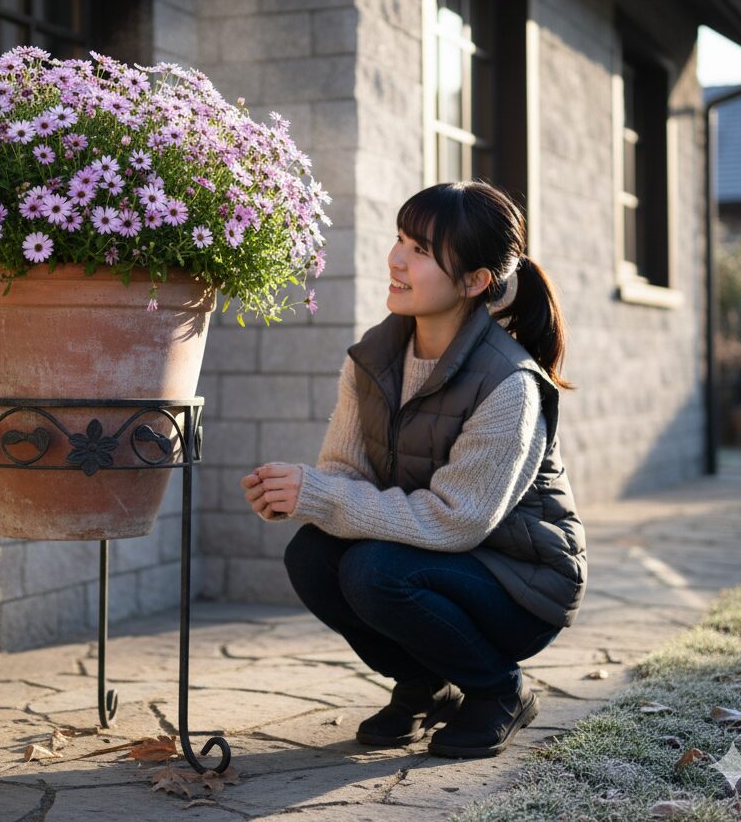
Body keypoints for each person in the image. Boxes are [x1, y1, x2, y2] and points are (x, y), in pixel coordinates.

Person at [240, 180, 586, 759]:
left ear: (476, 282)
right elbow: (345, 476)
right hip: (438, 561)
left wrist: (324, 497)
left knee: (375, 572)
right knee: (312, 554)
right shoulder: (374, 360)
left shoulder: (510, 385)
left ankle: (498, 691)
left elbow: (458, 522)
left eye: (421, 250)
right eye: (400, 239)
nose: (396, 259)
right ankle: (429, 686)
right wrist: (304, 494)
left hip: (519, 584)